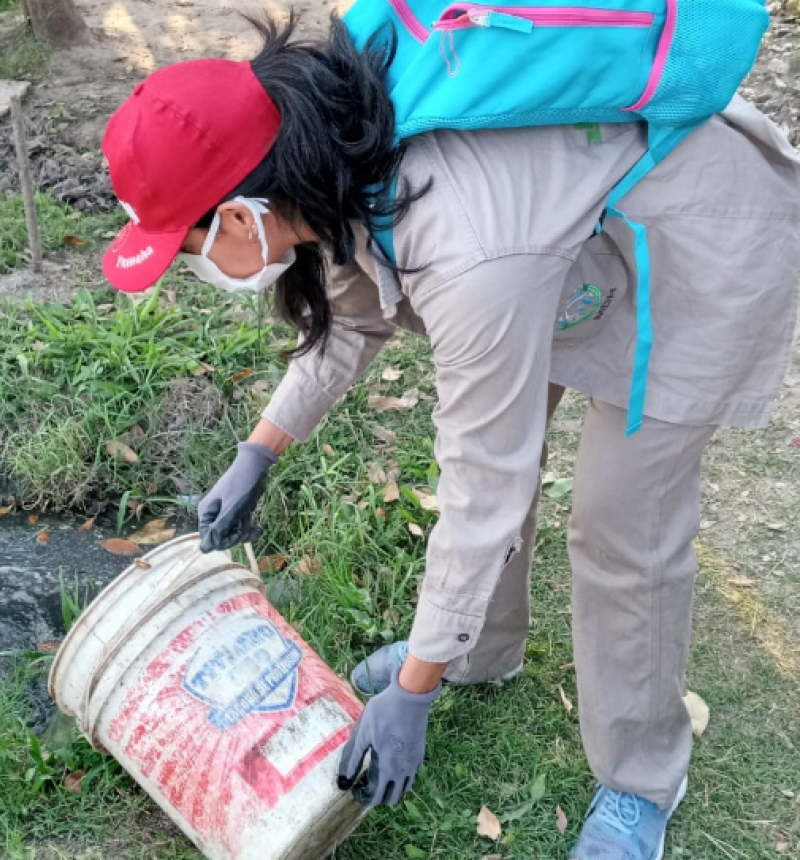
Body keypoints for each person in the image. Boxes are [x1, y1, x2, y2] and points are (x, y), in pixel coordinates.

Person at [99, 14, 800, 860]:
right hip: (574, 245)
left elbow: (484, 482)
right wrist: (260, 450)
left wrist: (413, 690)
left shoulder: (465, 243)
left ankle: (642, 778)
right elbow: (353, 319)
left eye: (188, 245)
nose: (193, 264)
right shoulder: (330, 150)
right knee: (510, 458)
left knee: (621, 527)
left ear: (244, 217)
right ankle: (485, 648)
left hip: (694, 248)